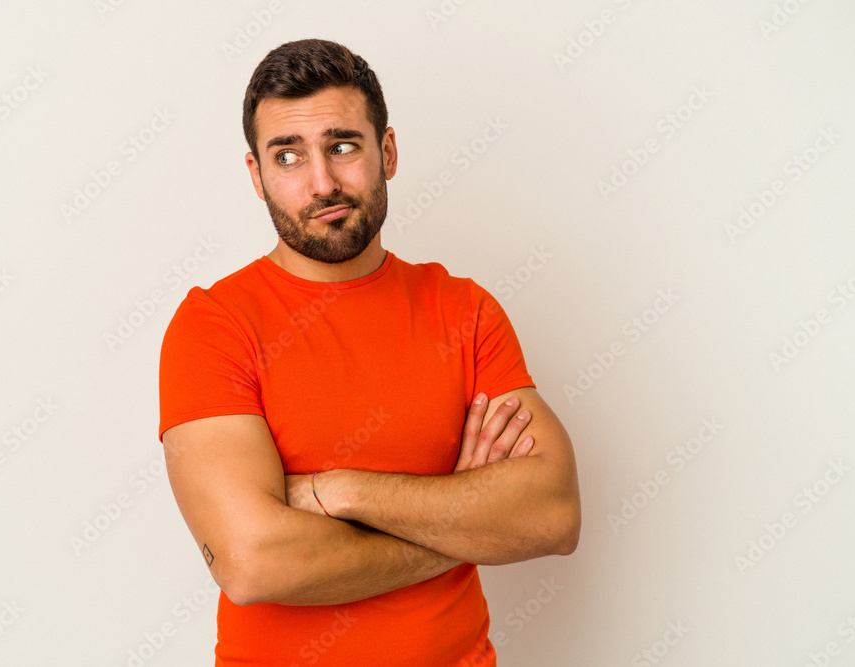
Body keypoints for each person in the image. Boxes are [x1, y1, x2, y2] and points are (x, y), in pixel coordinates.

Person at [158, 38, 580, 667]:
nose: (322, 182)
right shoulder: (214, 326)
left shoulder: (463, 311)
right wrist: (460, 519)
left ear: (387, 151)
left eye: (343, 146)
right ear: (257, 176)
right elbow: (251, 563)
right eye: (288, 156)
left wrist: (340, 491)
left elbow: (553, 514)